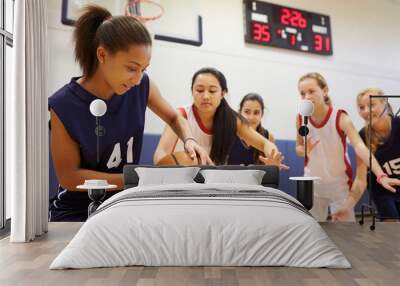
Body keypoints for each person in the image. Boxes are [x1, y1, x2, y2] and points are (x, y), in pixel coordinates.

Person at [48, 5, 211, 222]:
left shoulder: (141, 85)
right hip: (76, 212)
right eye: (132, 68)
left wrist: (189, 139)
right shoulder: (63, 104)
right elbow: (69, 177)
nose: (137, 78)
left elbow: (174, 118)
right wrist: (139, 179)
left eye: (143, 69)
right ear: (102, 54)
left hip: (126, 203)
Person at [295, 73, 400, 222]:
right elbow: (298, 148)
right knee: (312, 229)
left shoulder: (340, 117)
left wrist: (380, 174)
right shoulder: (301, 118)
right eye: (302, 93)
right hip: (314, 184)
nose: (306, 96)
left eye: (311, 91)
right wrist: (305, 149)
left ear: (324, 91)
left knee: (345, 234)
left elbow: (359, 147)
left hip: (339, 184)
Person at [153, 67, 284, 166]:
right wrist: (178, 162)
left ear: (222, 94)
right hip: (178, 181)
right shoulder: (181, 115)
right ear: (192, 91)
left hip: (207, 183)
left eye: (212, 91)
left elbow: (264, 143)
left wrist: (273, 157)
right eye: (199, 90)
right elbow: (160, 154)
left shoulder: (231, 119)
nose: (205, 96)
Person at [333, 88, 400, 221]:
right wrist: (347, 206)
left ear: (385, 104)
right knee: (393, 232)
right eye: (361, 107)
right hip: (382, 191)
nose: (365, 111)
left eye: (371, 105)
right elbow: (360, 179)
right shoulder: (362, 136)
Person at [228, 93, 276, 165]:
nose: (251, 117)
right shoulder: (229, 134)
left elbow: (272, 167)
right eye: (247, 112)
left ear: (262, 115)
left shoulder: (269, 136)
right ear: (239, 113)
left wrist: (273, 165)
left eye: (256, 113)